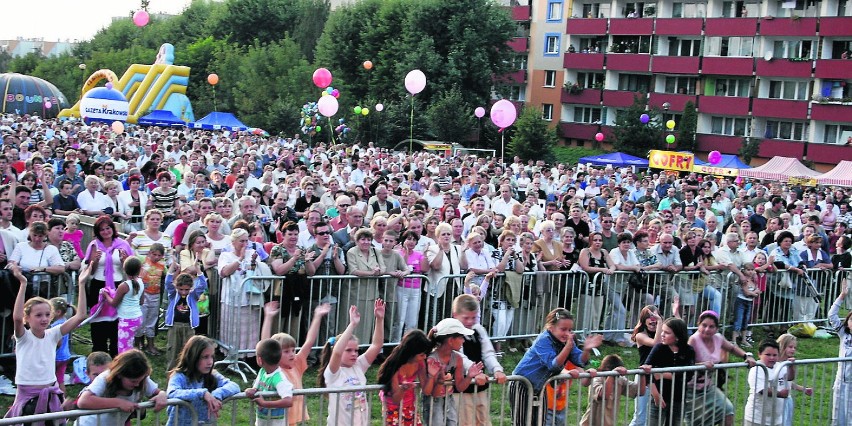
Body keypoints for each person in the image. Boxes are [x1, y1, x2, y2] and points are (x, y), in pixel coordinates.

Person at [3, 263, 86, 421]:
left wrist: (81, 283)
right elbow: (17, 318)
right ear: (28, 318)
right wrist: (23, 284)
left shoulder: (53, 334)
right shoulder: (23, 337)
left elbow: (80, 316)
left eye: (47, 315)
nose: (44, 319)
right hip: (28, 395)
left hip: (50, 390)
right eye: (39, 315)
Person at [510, 308, 603, 426]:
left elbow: (580, 361)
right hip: (522, 384)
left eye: (570, 330)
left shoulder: (567, 341)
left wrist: (586, 350)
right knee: (522, 422)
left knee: (539, 422)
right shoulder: (543, 340)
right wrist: (567, 348)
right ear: (551, 327)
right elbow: (554, 365)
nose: (567, 333)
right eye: (563, 329)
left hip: (540, 387)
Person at [261, 301, 332, 425]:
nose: (292, 354)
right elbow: (265, 344)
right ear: (275, 353)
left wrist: (317, 316)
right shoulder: (273, 368)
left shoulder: (296, 363)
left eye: (293, 350)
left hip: (293, 418)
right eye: (286, 351)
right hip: (276, 418)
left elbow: (309, 342)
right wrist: (268, 317)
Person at [683, 310, 756, 426]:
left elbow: (732, 348)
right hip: (690, 390)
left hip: (709, 388)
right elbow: (685, 364)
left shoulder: (718, 338)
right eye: (704, 325)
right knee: (697, 422)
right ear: (698, 324)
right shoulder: (693, 340)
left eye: (711, 326)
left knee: (728, 410)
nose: (707, 329)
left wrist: (746, 355)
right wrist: (701, 365)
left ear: (716, 328)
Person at [318, 301, 386, 426]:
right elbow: (337, 353)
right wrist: (352, 324)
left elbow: (376, 345)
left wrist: (379, 319)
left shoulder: (358, 366)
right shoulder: (333, 372)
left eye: (356, 350)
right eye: (348, 350)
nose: (354, 354)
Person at [453, 294, 506, 426]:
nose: (470, 322)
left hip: (479, 385)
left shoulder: (478, 330)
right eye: (466, 318)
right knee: (465, 421)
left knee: (483, 420)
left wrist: (497, 369)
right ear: (455, 315)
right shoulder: (453, 333)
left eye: (474, 318)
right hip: (461, 388)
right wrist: (475, 372)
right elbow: (460, 357)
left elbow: (488, 353)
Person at [76, 349, 168, 425]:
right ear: (119, 375)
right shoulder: (104, 377)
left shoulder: (141, 378)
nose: (137, 384)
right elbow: (83, 401)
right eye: (133, 381)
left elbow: (157, 392)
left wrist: (162, 395)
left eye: (140, 380)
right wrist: (118, 402)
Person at [84, 215, 133, 356]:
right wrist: (94, 261)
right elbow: (90, 271)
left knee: (116, 319)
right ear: (98, 232)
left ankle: (115, 351)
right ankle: (99, 351)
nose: (106, 232)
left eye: (108, 228)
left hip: (117, 285)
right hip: (98, 285)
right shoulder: (94, 245)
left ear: (113, 228)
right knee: (98, 320)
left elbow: (129, 269)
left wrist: (125, 261)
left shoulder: (123, 245)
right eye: (102, 230)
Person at [165, 336, 240, 426]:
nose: (210, 362)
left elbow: (234, 386)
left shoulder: (212, 375)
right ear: (193, 357)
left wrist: (217, 394)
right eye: (205, 357)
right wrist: (202, 394)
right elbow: (172, 392)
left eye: (212, 357)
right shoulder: (179, 377)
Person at [423, 318, 484, 426]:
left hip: (449, 399)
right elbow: (430, 392)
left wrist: (469, 376)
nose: (463, 341)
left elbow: (460, 387)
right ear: (451, 340)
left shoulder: (458, 358)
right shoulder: (432, 360)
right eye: (461, 337)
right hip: (433, 401)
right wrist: (440, 381)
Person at [219, 228, 265, 360]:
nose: (245, 244)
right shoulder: (226, 255)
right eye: (241, 241)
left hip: (250, 298)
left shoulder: (252, 252)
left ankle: (247, 356)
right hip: (232, 298)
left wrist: (253, 262)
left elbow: (258, 270)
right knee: (233, 329)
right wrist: (240, 258)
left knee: (250, 330)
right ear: (233, 242)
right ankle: (232, 356)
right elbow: (224, 272)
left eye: (247, 241)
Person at [641, 317, 695, 426]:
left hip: (679, 399)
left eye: (667, 333)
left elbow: (687, 375)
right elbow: (646, 371)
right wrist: (655, 395)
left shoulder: (689, 351)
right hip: (658, 396)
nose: (662, 335)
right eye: (662, 331)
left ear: (677, 336)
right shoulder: (658, 348)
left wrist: (662, 374)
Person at [377, 330, 434, 426]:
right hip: (392, 407)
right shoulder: (394, 366)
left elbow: (426, 390)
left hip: (409, 405)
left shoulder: (420, 363)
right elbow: (395, 399)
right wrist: (403, 389)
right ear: (411, 352)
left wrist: (432, 375)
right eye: (421, 355)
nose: (424, 357)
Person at [580, 354, 648, 426]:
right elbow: (603, 395)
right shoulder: (597, 378)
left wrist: (642, 374)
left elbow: (640, 392)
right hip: (591, 423)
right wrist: (612, 375)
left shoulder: (619, 380)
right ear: (606, 369)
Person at [245, 339, 294, 426]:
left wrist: (265, 404)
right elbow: (256, 388)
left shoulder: (279, 379)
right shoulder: (262, 371)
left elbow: (288, 401)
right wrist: (252, 390)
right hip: (262, 420)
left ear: (260, 360)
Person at [165, 272, 208, 370]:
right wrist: (171, 269)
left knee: (189, 351)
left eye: (186, 290)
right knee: (173, 350)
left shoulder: (193, 295)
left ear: (191, 288)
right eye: (181, 289)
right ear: (176, 287)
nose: (184, 292)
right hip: (175, 326)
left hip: (189, 327)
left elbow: (203, 285)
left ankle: (188, 371)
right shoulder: (173, 294)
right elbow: (167, 283)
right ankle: (171, 372)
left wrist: (199, 271)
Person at [102, 257, 144, 354]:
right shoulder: (141, 282)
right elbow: (141, 301)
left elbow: (113, 303)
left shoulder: (124, 286)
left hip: (127, 320)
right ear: (139, 269)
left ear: (124, 269)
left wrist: (105, 295)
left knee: (123, 350)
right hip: (137, 318)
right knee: (129, 344)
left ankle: (126, 366)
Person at [628, 305, 663, 426]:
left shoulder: (663, 333)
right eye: (649, 316)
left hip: (660, 377)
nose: (653, 319)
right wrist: (660, 322)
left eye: (655, 316)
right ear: (643, 319)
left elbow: (679, 333)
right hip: (644, 377)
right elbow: (656, 344)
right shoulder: (640, 335)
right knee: (640, 418)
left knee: (654, 418)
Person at [744, 341, 790, 426]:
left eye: (775, 355)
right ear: (759, 354)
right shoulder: (757, 369)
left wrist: (792, 367)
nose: (772, 358)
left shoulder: (780, 367)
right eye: (768, 355)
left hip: (776, 418)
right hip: (756, 418)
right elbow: (762, 390)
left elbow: (790, 378)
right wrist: (780, 394)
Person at [394, 230, 427, 342]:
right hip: (401, 289)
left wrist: (425, 254)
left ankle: (407, 344)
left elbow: (425, 269)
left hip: (416, 290)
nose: (411, 242)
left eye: (414, 239)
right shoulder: (398, 253)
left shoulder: (419, 254)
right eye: (408, 239)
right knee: (400, 320)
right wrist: (406, 254)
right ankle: (395, 344)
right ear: (403, 240)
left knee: (412, 321)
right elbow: (401, 267)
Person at [776, 333, 813, 426]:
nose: (793, 350)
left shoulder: (790, 363)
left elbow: (788, 382)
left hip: (788, 399)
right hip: (777, 399)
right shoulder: (775, 363)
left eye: (794, 347)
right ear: (782, 346)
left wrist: (803, 389)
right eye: (790, 347)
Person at [828, 280, 851, 425]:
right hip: (841, 382)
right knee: (837, 417)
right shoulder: (844, 334)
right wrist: (842, 296)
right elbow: (832, 315)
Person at [137, 243, 166, 355]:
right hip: (143, 294)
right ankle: (138, 343)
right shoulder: (143, 260)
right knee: (141, 319)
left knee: (152, 320)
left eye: (159, 255)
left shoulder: (162, 266)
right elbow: (131, 253)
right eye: (154, 254)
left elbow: (169, 274)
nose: (156, 257)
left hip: (155, 295)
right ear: (149, 253)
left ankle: (150, 345)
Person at [732, 263, 761, 348]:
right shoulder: (743, 280)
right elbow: (746, 293)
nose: (750, 272)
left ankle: (744, 340)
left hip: (749, 302)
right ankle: (734, 340)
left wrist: (754, 293)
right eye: (748, 270)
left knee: (746, 321)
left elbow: (758, 290)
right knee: (738, 320)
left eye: (752, 270)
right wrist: (754, 294)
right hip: (741, 301)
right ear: (744, 270)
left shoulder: (754, 280)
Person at [50, 297, 72, 394]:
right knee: (60, 379)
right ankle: (62, 400)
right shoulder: (65, 321)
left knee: (50, 379)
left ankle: (51, 399)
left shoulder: (56, 326)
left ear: (58, 312)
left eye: (49, 310)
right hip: (65, 356)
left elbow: (58, 343)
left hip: (56, 357)